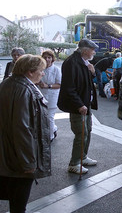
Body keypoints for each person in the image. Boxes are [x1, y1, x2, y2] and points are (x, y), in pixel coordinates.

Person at [0, 54, 51, 213]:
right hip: (18, 160)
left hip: (6, 155)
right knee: (18, 203)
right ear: (30, 72)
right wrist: (28, 161)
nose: (43, 73)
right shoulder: (25, 90)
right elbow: (22, 128)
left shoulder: (7, 84)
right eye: (41, 70)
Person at [58, 39, 98, 174]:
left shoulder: (83, 62)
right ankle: (74, 163)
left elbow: (86, 82)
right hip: (78, 105)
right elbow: (69, 88)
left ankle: (83, 157)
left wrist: (92, 73)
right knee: (81, 133)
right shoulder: (71, 62)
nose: (94, 52)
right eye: (93, 49)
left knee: (88, 131)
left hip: (85, 103)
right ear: (85, 50)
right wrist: (79, 104)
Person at [38, 49, 61, 141]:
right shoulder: (40, 68)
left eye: (49, 57)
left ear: (52, 59)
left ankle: (50, 136)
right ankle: (53, 129)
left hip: (52, 95)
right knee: (41, 116)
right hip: (40, 94)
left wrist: (48, 86)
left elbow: (59, 84)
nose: (47, 59)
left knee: (50, 116)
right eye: (45, 57)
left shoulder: (56, 70)